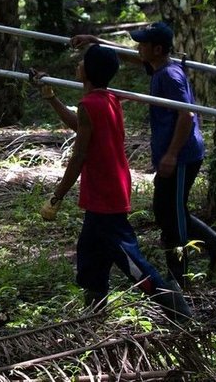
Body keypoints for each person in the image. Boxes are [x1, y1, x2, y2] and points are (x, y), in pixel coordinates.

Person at [33, 45, 191, 320]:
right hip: (108, 192)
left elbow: (79, 154)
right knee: (90, 257)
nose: (78, 64)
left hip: (105, 196)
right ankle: (94, 316)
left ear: (88, 70)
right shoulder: (108, 100)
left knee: (131, 262)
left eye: (82, 61)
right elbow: (82, 127)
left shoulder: (91, 105)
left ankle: (175, 308)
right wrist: (51, 97)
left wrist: (57, 196)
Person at [71, 22, 216, 288]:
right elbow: (126, 56)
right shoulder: (156, 65)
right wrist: (95, 41)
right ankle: (214, 243)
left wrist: (171, 155)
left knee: (173, 215)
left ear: (157, 49)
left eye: (143, 45)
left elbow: (186, 114)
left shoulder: (169, 75)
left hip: (182, 156)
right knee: (164, 210)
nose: (138, 48)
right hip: (173, 154)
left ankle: (179, 278)